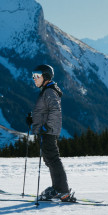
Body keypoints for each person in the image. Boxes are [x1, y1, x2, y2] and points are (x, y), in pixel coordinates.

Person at [28, 64, 74, 201]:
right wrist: (33, 120)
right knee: (49, 160)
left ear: (46, 76)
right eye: (33, 75)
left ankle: (63, 191)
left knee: (53, 159)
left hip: (47, 131)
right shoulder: (47, 90)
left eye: (37, 75)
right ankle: (58, 189)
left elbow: (55, 110)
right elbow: (45, 111)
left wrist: (47, 127)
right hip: (45, 131)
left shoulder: (49, 92)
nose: (34, 78)